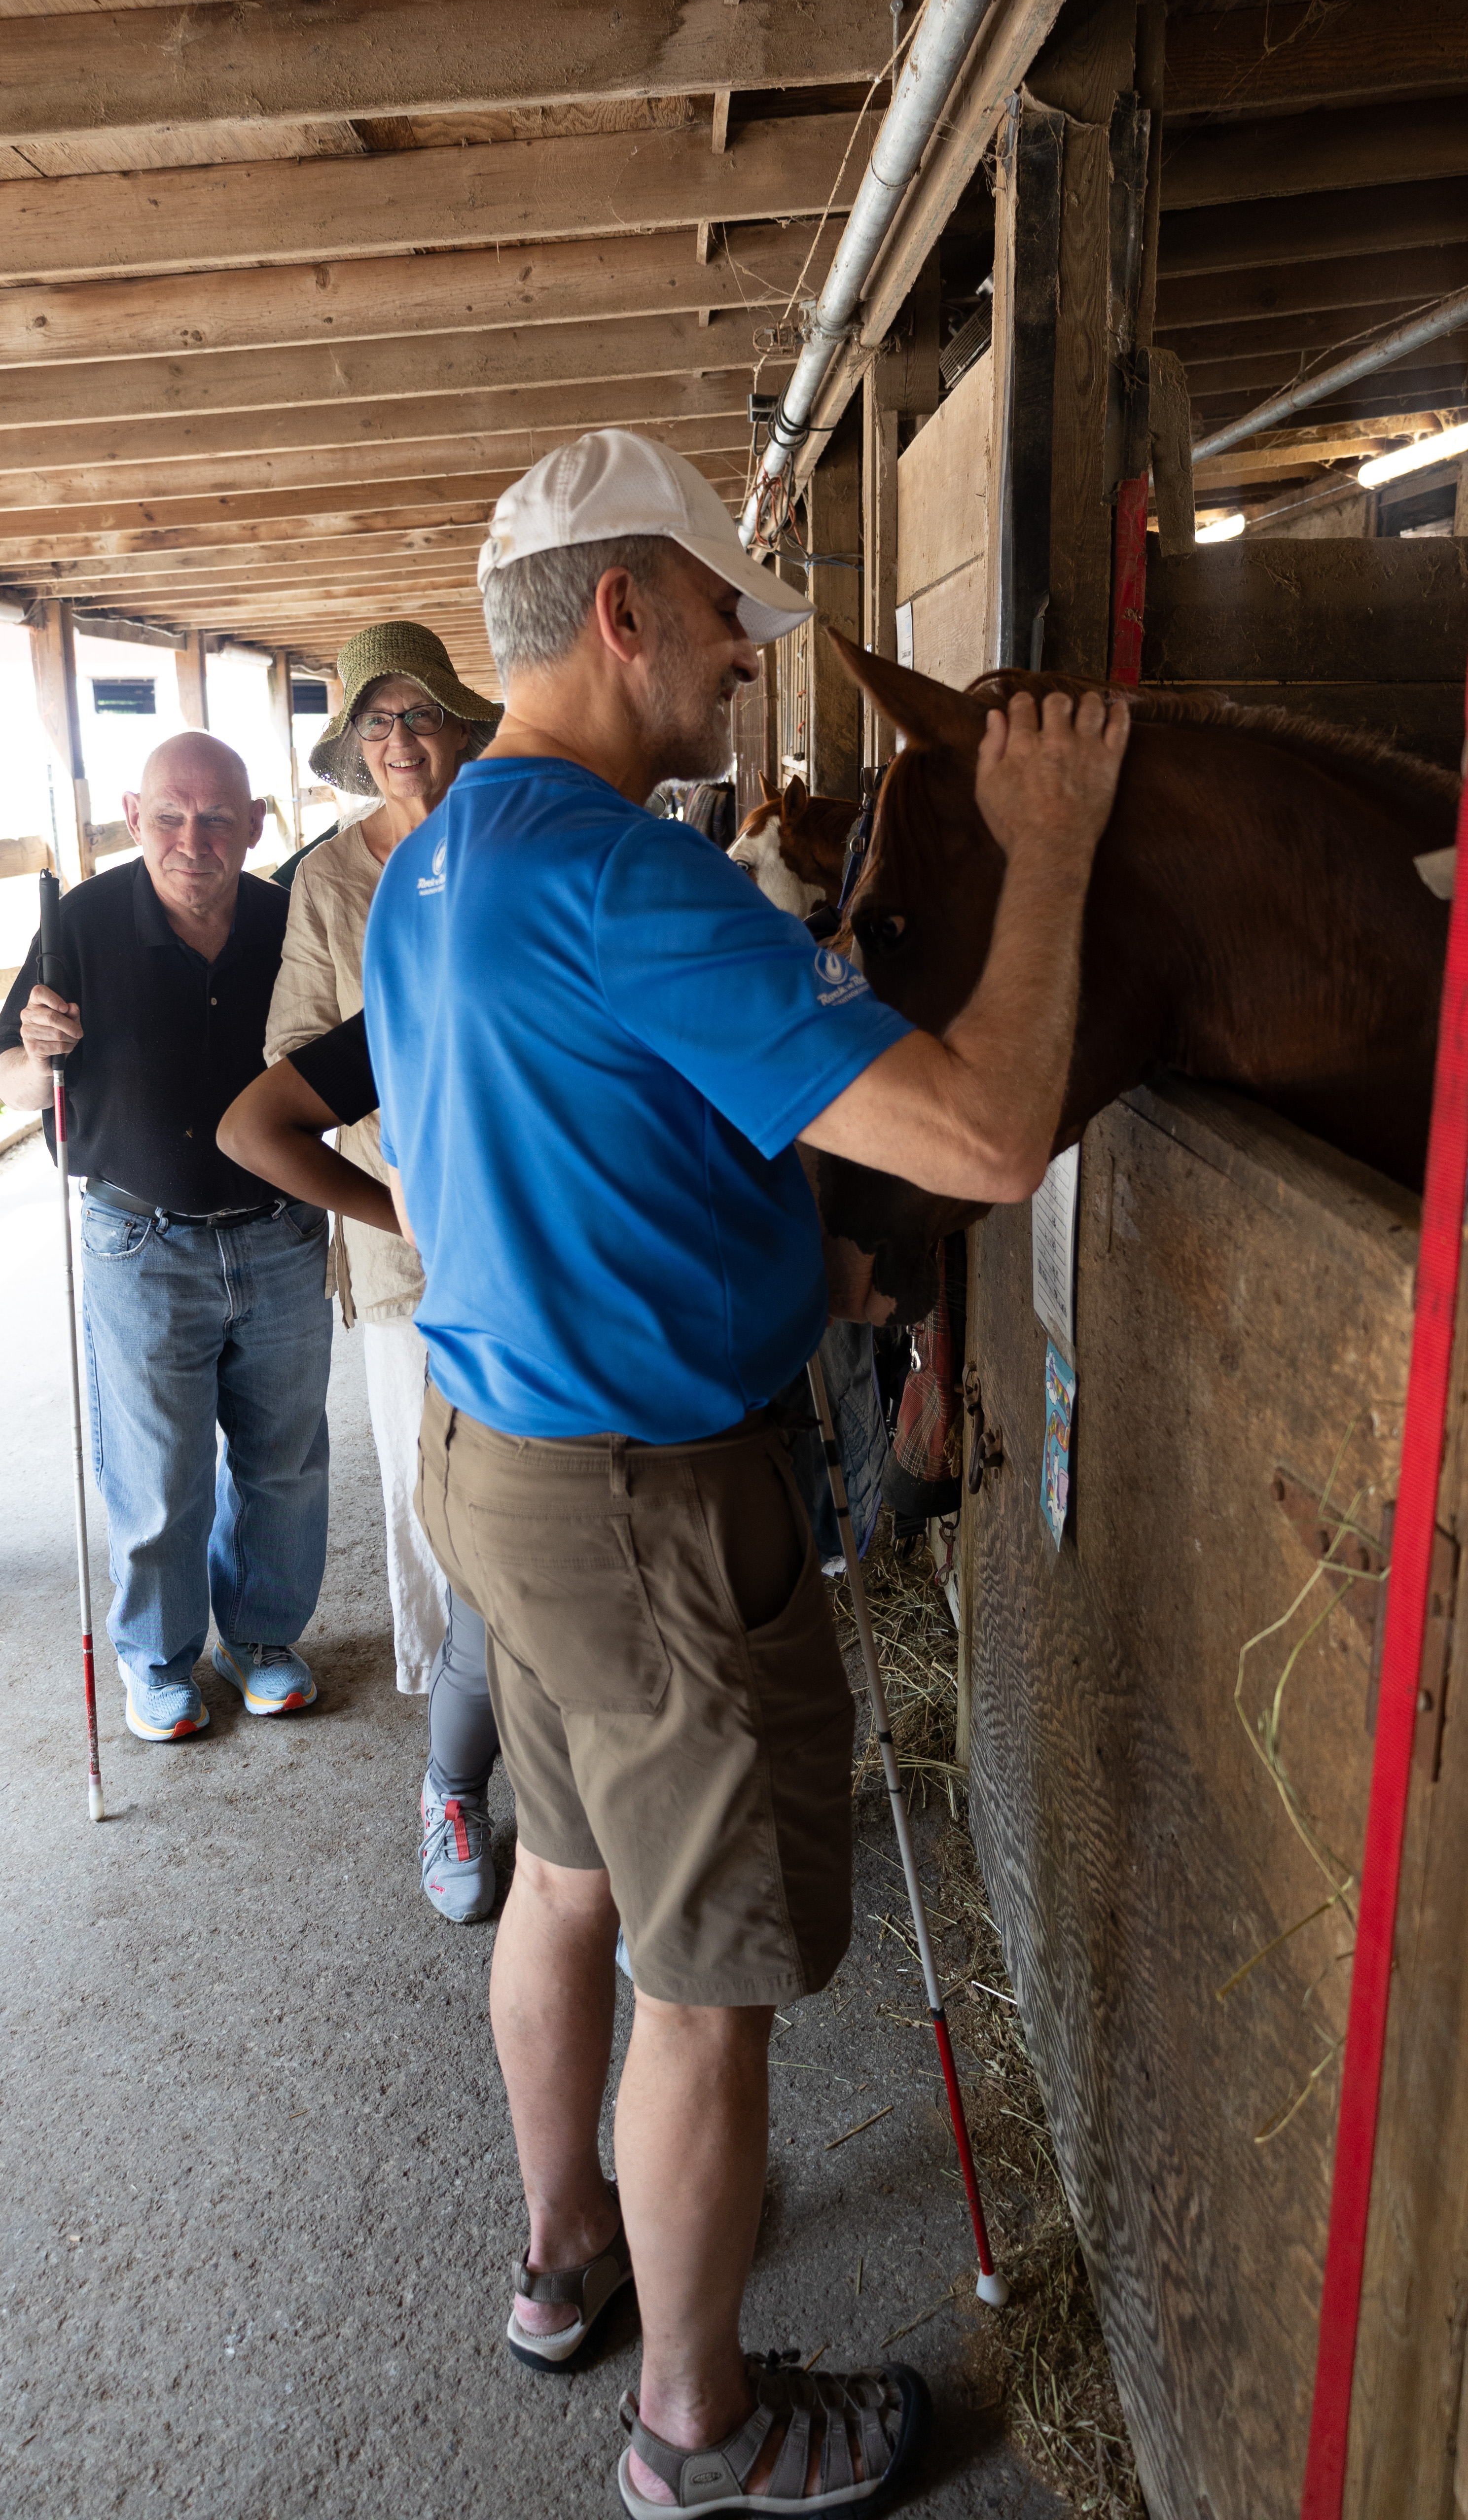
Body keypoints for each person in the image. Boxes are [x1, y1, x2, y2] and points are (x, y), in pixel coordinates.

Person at [362, 427, 1129, 2514]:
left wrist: (770, 1231)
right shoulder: (629, 876)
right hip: (649, 1506)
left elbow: (562, 1138)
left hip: (501, 1453)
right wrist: (1047, 847)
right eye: (720, 624)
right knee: (708, 1991)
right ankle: (695, 2430)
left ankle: (568, 2253)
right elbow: (982, 1143)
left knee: (567, 1875)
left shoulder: (433, 861)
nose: (738, 666)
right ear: (622, 614)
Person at [0, 734, 332, 1743]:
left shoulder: (286, 918)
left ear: (256, 823)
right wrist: (32, 1051)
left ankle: (261, 1642)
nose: (193, 839)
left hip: (279, 1231)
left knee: (286, 1458)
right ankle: (159, 1658)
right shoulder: (79, 923)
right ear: (134, 817)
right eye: (171, 817)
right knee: (158, 1470)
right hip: (140, 1240)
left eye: (218, 818)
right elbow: (8, 1075)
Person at [260, 621, 503, 1919]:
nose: (401, 744)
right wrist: (400, 1125)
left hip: (531, 1215)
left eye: (419, 717)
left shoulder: (514, 835)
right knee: (439, 1498)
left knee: (549, 1493)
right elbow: (293, 1047)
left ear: (459, 724)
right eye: (377, 726)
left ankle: (574, 1786)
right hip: (405, 1230)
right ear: (356, 749)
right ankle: (451, 1781)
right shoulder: (325, 885)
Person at [219, 1004, 499, 1925]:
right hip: (500, 1345)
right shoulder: (436, 970)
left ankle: (625, 1857)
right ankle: (454, 1792)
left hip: (648, 1343)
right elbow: (254, 1125)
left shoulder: (658, 930)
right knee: (488, 1605)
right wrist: (407, 1223)